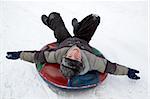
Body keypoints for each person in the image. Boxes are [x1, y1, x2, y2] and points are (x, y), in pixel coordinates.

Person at [6, 12, 140, 80]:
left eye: (70, 56)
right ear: (82, 61)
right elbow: (111, 67)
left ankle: (50, 21)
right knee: (95, 18)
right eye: (77, 58)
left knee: (55, 17)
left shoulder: (58, 55)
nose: (74, 53)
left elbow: (38, 56)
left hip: (65, 41)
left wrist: (20, 54)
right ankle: (78, 27)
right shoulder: (92, 61)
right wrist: (127, 71)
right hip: (82, 40)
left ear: (64, 57)